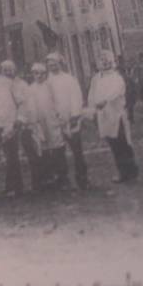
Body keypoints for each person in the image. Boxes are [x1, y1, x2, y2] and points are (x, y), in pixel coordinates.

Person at [87, 50, 139, 184]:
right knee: (113, 143)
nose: (104, 63)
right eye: (102, 60)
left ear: (112, 62)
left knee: (122, 142)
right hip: (103, 115)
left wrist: (105, 100)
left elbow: (116, 91)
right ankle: (123, 171)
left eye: (107, 60)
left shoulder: (117, 77)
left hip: (116, 114)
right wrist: (92, 107)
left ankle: (130, 171)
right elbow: (91, 94)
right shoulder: (96, 78)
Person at [46, 52, 89, 191]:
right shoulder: (47, 81)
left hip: (70, 119)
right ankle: (62, 178)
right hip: (55, 121)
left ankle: (82, 178)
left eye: (55, 63)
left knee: (77, 150)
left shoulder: (69, 79)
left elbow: (76, 97)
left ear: (61, 63)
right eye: (50, 64)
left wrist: (75, 116)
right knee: (58, 151)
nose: (52, 66)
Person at [27, 62, 64, 195]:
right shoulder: (30, 89)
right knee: (42, 150)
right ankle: (47, 180)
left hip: (52, 121)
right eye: (36, 73)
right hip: (39, 123)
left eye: (42, 73)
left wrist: (59, 117)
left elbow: (58, 103)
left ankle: (62, 179)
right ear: (33, 75)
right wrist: (33, 123)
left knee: (57, 148)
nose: (39, 76)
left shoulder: (50, 87)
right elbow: (30, 108)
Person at [0, 60, 27, 198]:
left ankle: (17, 187)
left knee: (12, 156)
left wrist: (19, 119)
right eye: (5, 69)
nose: (8, 72)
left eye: (10, 69)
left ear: (15, 70)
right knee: (1, 156)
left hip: (10, 123)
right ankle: (8, 186)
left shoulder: (15, 84)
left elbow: (22, 103)